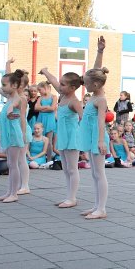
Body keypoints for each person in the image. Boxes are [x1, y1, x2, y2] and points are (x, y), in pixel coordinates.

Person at [40, 66, 83, 208]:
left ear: (72, 87)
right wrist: (45, 71)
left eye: (63, 84)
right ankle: (68, 196)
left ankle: (72, 198)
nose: (60, 86)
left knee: (72, 168)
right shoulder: (64, 95)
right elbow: (52, 81)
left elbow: (84, 118)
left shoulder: (74, 101)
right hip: (64, 136)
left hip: (72, 137)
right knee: (65, 168)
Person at [0, 63, 29, 203]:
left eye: (5, 85)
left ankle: (14, 193)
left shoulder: (19, 99)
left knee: (13, 164)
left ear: (15, 86)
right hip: (9, 133)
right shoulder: (9, 96)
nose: (3, 87)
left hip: (15, 134)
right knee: (10, 163)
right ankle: (9, 192)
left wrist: (22, 133)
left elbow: (20, 115)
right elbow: (0, 90)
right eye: (2, 84)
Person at [77, 67, 110, 219]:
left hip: (97, 138)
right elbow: (95, 70)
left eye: (87, 83)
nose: (84, 84)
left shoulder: (101, 99)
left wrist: (101, 141)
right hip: (91, 137)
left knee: (99, 173)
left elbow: (101, 122)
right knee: (94, 173)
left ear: (96, 85)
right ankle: (97, 205)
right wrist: (100, 51)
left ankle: (101, 208)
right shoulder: (93, 96)